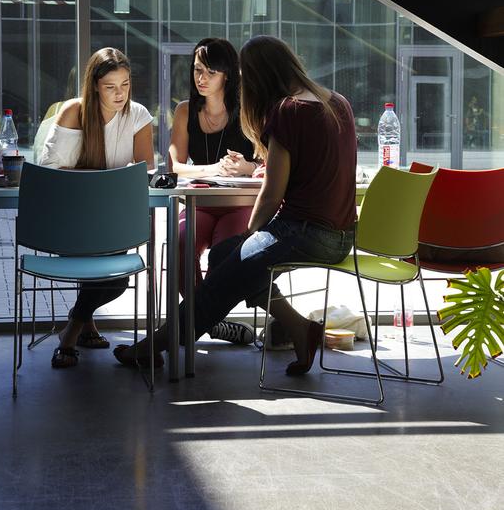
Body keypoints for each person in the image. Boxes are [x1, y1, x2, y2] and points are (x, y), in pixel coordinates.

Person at [114, 35, 357, 376]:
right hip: (342, 234)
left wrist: (250, 235)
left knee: (223, 277)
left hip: (304, 230)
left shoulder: (288, 111)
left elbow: (272, 193)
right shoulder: (338, 102)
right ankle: (301, 330)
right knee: (221, 255)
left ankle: (156, 345)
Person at [39, 47, 155, 368]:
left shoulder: (138, 115)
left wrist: (103, 182)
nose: (120, 94)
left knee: (116, 275)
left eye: (126, 85)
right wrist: (106, 179)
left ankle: (75, 326)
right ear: (94, 86)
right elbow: (50, 172)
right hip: (69, 218)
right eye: (110, 87)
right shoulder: (74, 112)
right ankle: (77, 330)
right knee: (110, 273)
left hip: (110, 218)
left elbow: (145, 172)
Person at [168, 37, 258, 345]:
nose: (201, 78)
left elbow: (267, 162)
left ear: (227, 75)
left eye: (210, 72)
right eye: (197, 70)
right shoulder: (184, 111)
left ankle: (195, 322)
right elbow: (175, 167)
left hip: (238, 202)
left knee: (227, 257)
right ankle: (210, 324)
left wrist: (245, 167)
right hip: (200, 200)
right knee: (180, 244)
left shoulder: (247, 109)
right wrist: (212, 170)